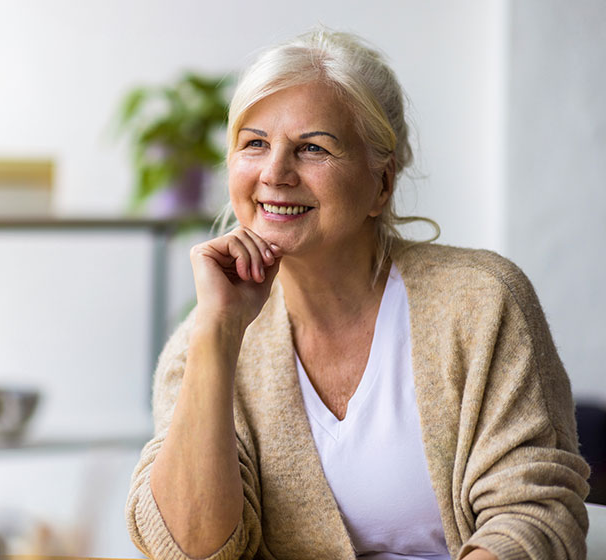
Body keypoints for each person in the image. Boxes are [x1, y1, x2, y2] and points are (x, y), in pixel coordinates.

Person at [125, 28, 590, 560]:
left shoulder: (482, 301)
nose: (275, 173)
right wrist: (217, 334)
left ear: (382, 185)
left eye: (312, 148)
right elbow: (189, 549)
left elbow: (537, 515)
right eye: (254, 143)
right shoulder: (201, 343)